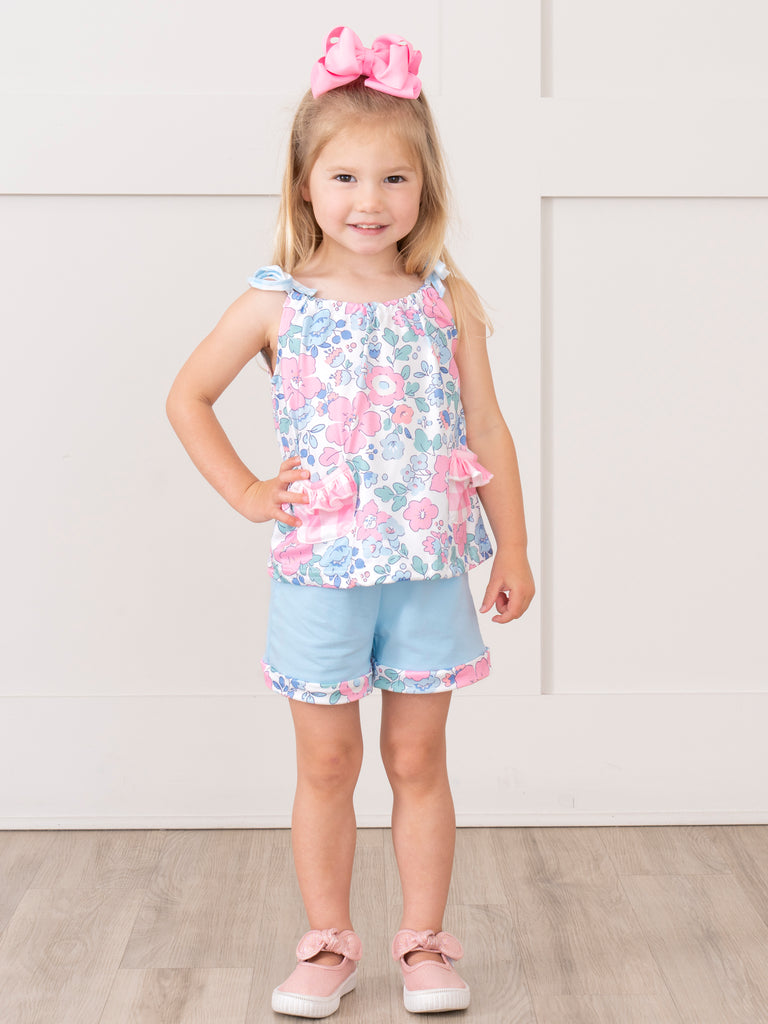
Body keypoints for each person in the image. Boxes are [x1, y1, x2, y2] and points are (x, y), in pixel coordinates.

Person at [166, 25, 535, 1018]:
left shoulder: (446, 300)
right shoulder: (275, 302)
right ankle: (328, 940)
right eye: (345, 177)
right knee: (328, 763)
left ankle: (424, 940)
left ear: (425, 187)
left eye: (394, 179)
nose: (370, 200)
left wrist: (513, 543)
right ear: (304, 187)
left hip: (427, 569)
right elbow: (187, 397)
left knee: (418, 759)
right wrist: (250, 491)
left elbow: (487, 426)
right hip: (320, 572)